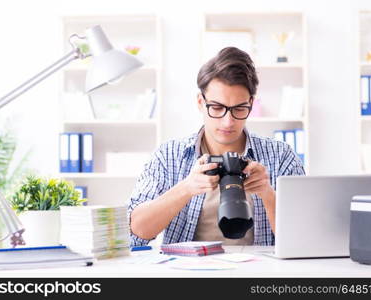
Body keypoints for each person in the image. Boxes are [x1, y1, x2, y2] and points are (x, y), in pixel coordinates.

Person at [128, 47, 305, 247]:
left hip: (259, 275)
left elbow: (302, 239)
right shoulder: (169, 155)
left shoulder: (280, 156)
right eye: (217, 108)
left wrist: (267, 193)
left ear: (251, 104)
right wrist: (186, 188)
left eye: (239, 109)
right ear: (200, 102)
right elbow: (136, 232)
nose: (228, 121)